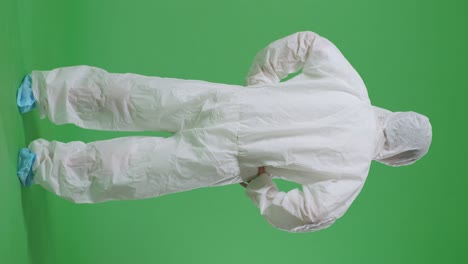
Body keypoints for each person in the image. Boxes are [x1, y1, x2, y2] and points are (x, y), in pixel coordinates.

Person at [16, 31, 432, 233]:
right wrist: (260, 187)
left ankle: (42, 89)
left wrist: (262, 81)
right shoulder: (352, 176)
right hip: (229, 159)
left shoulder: (351, 88)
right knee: (132, 169)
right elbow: (305, 213)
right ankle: (41, 166)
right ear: (397, 156)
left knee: (135, 94)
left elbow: (309, 43)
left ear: (394, 115)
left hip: (229, 102)